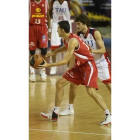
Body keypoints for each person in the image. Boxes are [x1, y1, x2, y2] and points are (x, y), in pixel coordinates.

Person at [39, 20, 111, 125]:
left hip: (89, 66)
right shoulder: (67, 39)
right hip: (80, 67)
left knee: (90, 91)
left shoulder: (73, 40)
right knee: (59, 83)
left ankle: (108, 115)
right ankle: (55, 112)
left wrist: (48, 65)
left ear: (62, 30)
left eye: (58, 29)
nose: (57, 31)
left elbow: (65, 61)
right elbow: (66, 47)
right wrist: (53, 52)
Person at [59, 14, 111, 116]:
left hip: (100, 62)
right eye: (76, 24)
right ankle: (70, 108)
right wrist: (70, 68)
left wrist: (92, 51)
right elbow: (73, 51)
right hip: (87, 64)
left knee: (109, 85)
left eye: (79, 24)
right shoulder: (77, 35)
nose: (77, 26)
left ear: (84, 24)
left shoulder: (95, 33)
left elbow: (103, 49)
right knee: (73, 83)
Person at [48, 0, 79, 74]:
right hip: (56, 24)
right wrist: (49, 28)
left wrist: (78, 26)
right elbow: (48, 14)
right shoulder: (52, 2)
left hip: (66, 24)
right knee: (54, 47)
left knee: (69, 47)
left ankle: (69, 68)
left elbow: (77, 14)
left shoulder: (68, 2)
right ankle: (54, 67)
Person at [29, 0, 51, 82]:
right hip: (32, 28)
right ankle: (32, 73)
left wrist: (50, 30)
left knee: (44, 50)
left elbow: (48, 15)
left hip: (43, 29)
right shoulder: (29, 2)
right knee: (32, 52)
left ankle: (42, 71)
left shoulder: (45, 2)